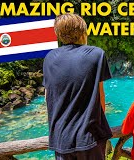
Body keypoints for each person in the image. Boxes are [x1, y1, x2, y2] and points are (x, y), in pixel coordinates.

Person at [43, 13, 112, 160]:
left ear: (60, 35)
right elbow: (100, 96)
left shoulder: (49, 58)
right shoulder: (96, 54)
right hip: (89, 138)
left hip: (61, 139)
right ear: (82, 31)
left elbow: (48, 96)